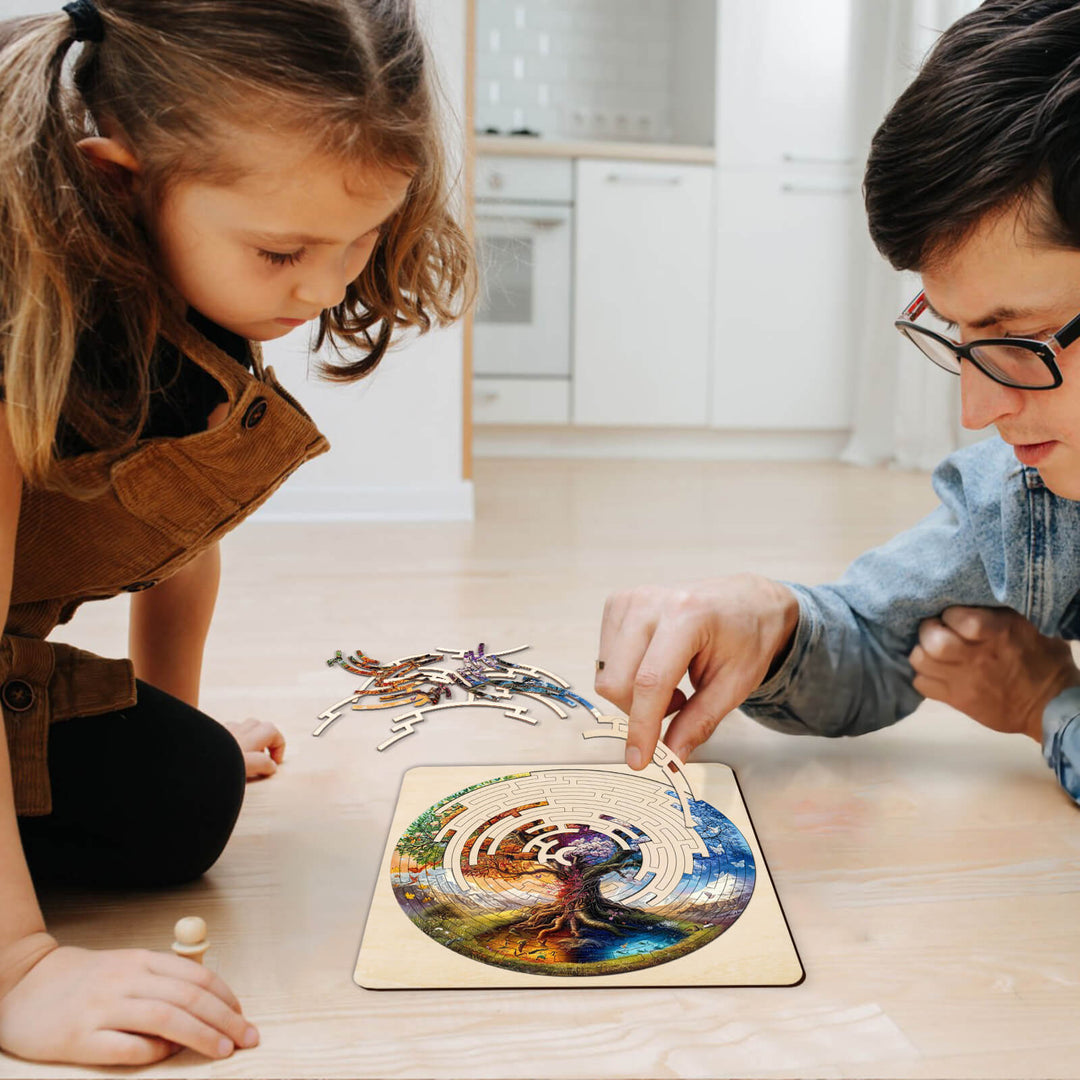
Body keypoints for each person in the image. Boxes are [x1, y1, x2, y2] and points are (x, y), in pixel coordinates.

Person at [0, 0, 471, 1066]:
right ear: (119, 178)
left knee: (186, 791)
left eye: (363, 241)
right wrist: (19, 965)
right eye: (282, 251)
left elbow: (178, 519)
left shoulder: (173, 277)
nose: (326, 286)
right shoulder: (12, 315)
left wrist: (170, 718)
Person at [596, 0, 1080, 809]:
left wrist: (1044, 706)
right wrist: (770, 621)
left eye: (1018, 338)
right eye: (959, 337)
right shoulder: (1025, 498)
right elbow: (876, 635)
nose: (977, 411)